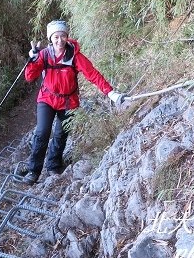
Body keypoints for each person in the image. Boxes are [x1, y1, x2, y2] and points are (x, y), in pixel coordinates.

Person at [19, 19, 127, 184]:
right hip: (47, 98)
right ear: (50, 38)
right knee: (42, 132)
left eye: (63, 36)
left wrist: (110, 93)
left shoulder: (74, 56)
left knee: (61, 134)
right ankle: (34, 171)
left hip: (68, 101)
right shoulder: (44, 55)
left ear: (67, 37)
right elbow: (29, 77)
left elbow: (93, 74)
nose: (59, 40)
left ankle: (53, 166)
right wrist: (33, 60)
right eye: (56, 37)